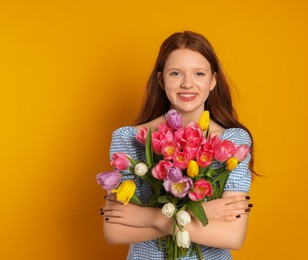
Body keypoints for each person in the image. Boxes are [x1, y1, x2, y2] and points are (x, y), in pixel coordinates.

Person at [101, 31, 255, 259]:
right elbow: (114, 231)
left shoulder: (232, 142)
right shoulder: (131, 138)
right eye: (176, 73)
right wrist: (200, 214)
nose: (187, 84)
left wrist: (145, 217)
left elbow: (232, 237)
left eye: (199, 73)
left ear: (213, 80)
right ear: (161, 80)